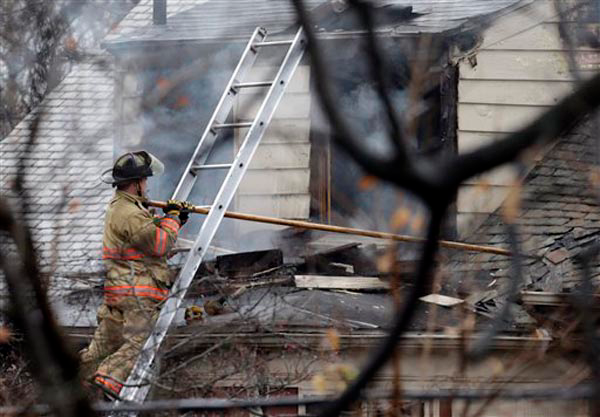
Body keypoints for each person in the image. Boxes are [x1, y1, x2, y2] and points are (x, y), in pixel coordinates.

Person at [80, 150, 190, 399]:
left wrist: (175, 221)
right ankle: (106, 383)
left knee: (104, 345)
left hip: (119, 291)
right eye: (146, 181)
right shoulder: (129, 213)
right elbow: (159, 244)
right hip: (137, 294)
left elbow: (144, 243)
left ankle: (76, 382)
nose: (148, 185)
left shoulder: (122, 208)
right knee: (137, 345)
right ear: (137, 183)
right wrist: (172, 219)